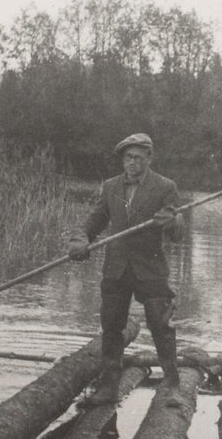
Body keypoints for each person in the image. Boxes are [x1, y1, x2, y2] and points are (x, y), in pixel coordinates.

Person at [67, 133, 186, 407]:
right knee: (111, 326)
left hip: (151, 269)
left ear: (149, 158)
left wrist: (173, 221)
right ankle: (109, 387)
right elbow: (95, 220)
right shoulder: (110, 186)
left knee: (161, 325)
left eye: (137, 158)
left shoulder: (165, 187)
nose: (131, 163)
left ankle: (172, 386)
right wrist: (80, 239)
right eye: (127, 157)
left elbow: (178, 234)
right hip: (116, 268)